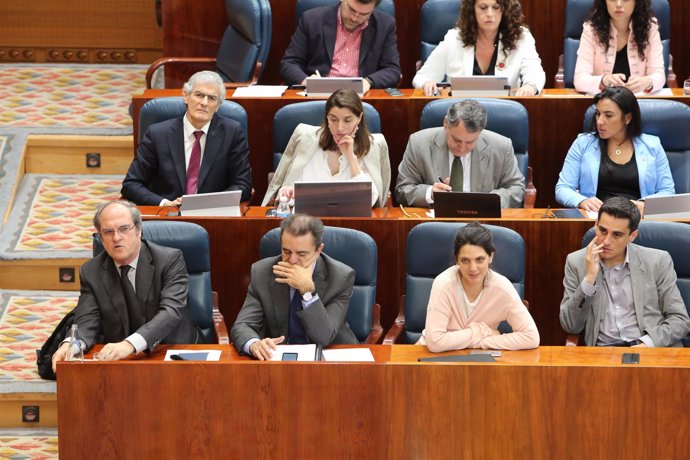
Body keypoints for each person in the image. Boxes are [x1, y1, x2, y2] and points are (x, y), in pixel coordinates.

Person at [51, 200, 200, 372]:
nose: (116, 238)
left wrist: (130, 343)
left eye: (123, 229)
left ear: (138, 231)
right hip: (124, 362)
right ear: (100, 237)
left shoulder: (169, 260)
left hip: (171, 352)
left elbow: (171, 312)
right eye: (108, 232)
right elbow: (86, 320)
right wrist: (71, 344)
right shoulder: (91, 272)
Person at [560, 197, 690, 347]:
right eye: (602, 230)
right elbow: (570, 325)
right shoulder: (576, 262)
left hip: (650, 349)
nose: (606, 241)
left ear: (632, 236)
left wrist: (647, 344)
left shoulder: (657, 261)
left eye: (617, 235)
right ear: (596, 225)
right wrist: (589, 279)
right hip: (604, 353)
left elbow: (680, 320)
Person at [231, 214, 358, 360]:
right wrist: (254, 344)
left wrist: (308, 293)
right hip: (281, 358)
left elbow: (323, 337)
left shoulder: (341, 277)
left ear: (318, 250)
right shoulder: (262, 272)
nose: (292, 260)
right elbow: (242, 325)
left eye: (301, 254)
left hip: (329, 357)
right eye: (286, 251)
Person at [121, 70, 252, 206]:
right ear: (186, 96)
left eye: (212, 98)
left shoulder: (232, 133)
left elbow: (243, 185)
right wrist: (164, 203)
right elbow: (131, 184)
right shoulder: (157, 134)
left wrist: (204, 203)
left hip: (212, 213)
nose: (204, 103)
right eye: (199, 95)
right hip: (168, 215)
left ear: (218, 106)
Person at [418, 222, 539, 352]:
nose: (473, 268)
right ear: (457, 259)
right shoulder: (443, 284)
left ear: (490, 256)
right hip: (433, 358)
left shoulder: (502, 288)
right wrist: (481, 332)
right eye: (465, 260)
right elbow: (435, 343)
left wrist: (485, 341)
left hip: (478, 358)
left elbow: (531, 337)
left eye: (479, 259)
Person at [262, 89, 390, 207]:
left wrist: (351, 158)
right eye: (333, 119)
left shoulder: (373, 146)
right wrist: (288, 193)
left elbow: (368, 201)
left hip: (350, 225)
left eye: (347, 120)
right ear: (327, 118)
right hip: (305, 223)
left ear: (359, 118)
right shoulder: (306, 139)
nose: (340, 127)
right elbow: (285, 194)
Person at [555, 86, 674, 212]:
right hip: (597, 218)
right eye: (598, 114)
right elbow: (563, 188)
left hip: (637, 220)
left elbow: (667, 191)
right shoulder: (583, 143)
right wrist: (582, 201)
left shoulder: (652, 145)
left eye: (609, 115)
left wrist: (644, 205)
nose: (600, 121)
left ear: (627, 118)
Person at [395, 99, 525, 208]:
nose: (462, 148)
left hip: (483, 225)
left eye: (470, 142)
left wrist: (488, 201)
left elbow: (517, 189)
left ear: (480, 132)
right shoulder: (418, 143)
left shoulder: (501, 146)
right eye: (456, 140)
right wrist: (430, 193)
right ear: (446, 124)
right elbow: (402, 189)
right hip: (437, 223)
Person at [413, 0, 545, 96]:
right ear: (472, 10)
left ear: (505, 9)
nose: (489, 13)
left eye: (496, 7)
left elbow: (535, 72)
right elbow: (421, 77)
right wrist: (427, 83)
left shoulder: (521, 37)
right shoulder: (454, 38)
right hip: (461, 115)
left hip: (504, 111)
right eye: (483, 7)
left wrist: (530, 86)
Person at [279, 0, 401, 91]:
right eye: (352, 10)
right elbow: (289, 63)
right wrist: (307, 81)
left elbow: (392, 70)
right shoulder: (311, 19)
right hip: (318, 94)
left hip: (359, 99)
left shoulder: (385, 25)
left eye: (363, 14)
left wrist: (368, 82)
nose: (354, 18)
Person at [574, 0, 665, 95]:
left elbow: (659, 75)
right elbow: (579, 80)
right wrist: (603, 80)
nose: (618, 4)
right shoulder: (592, 30)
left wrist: (647, 82)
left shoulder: (649, 29)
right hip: (603, 103)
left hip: (638, 104)